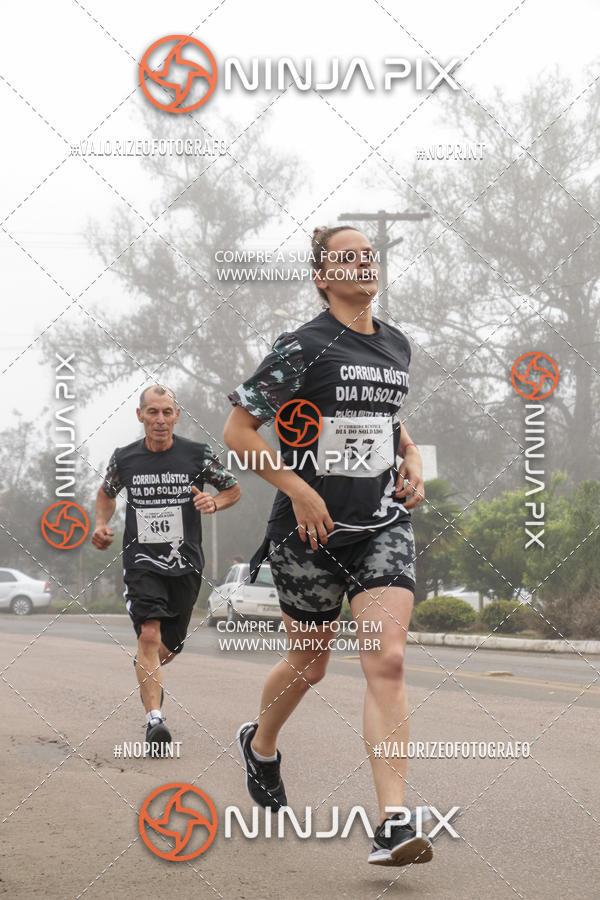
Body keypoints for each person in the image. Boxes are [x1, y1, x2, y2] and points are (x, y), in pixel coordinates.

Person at [224, 225, 431, 866]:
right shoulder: (302, 346)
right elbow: (238, 430)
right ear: (322, 276)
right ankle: (260, 745)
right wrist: (297, 488)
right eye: (347, 256)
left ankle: (392, 822)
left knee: (387, 659)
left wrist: (414, 455)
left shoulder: (395, 344)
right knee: (309, 665)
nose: (362, 262)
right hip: (308, 532)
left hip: (379, 526)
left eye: (369, 254)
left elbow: (386, 420)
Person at [92, 384, 240, 754]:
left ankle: (150, 675)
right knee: (148, 636)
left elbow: (233, 489)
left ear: (177, 416)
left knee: (167, 648)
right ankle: (154, 719)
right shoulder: (125, 458)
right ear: (140, 415)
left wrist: (214, 501)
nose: (160, 419)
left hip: (185, 563)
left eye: (167, 412)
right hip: (142, 561)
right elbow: (106, 494)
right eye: (153, 412)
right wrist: (100, 523)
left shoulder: (197, 454)